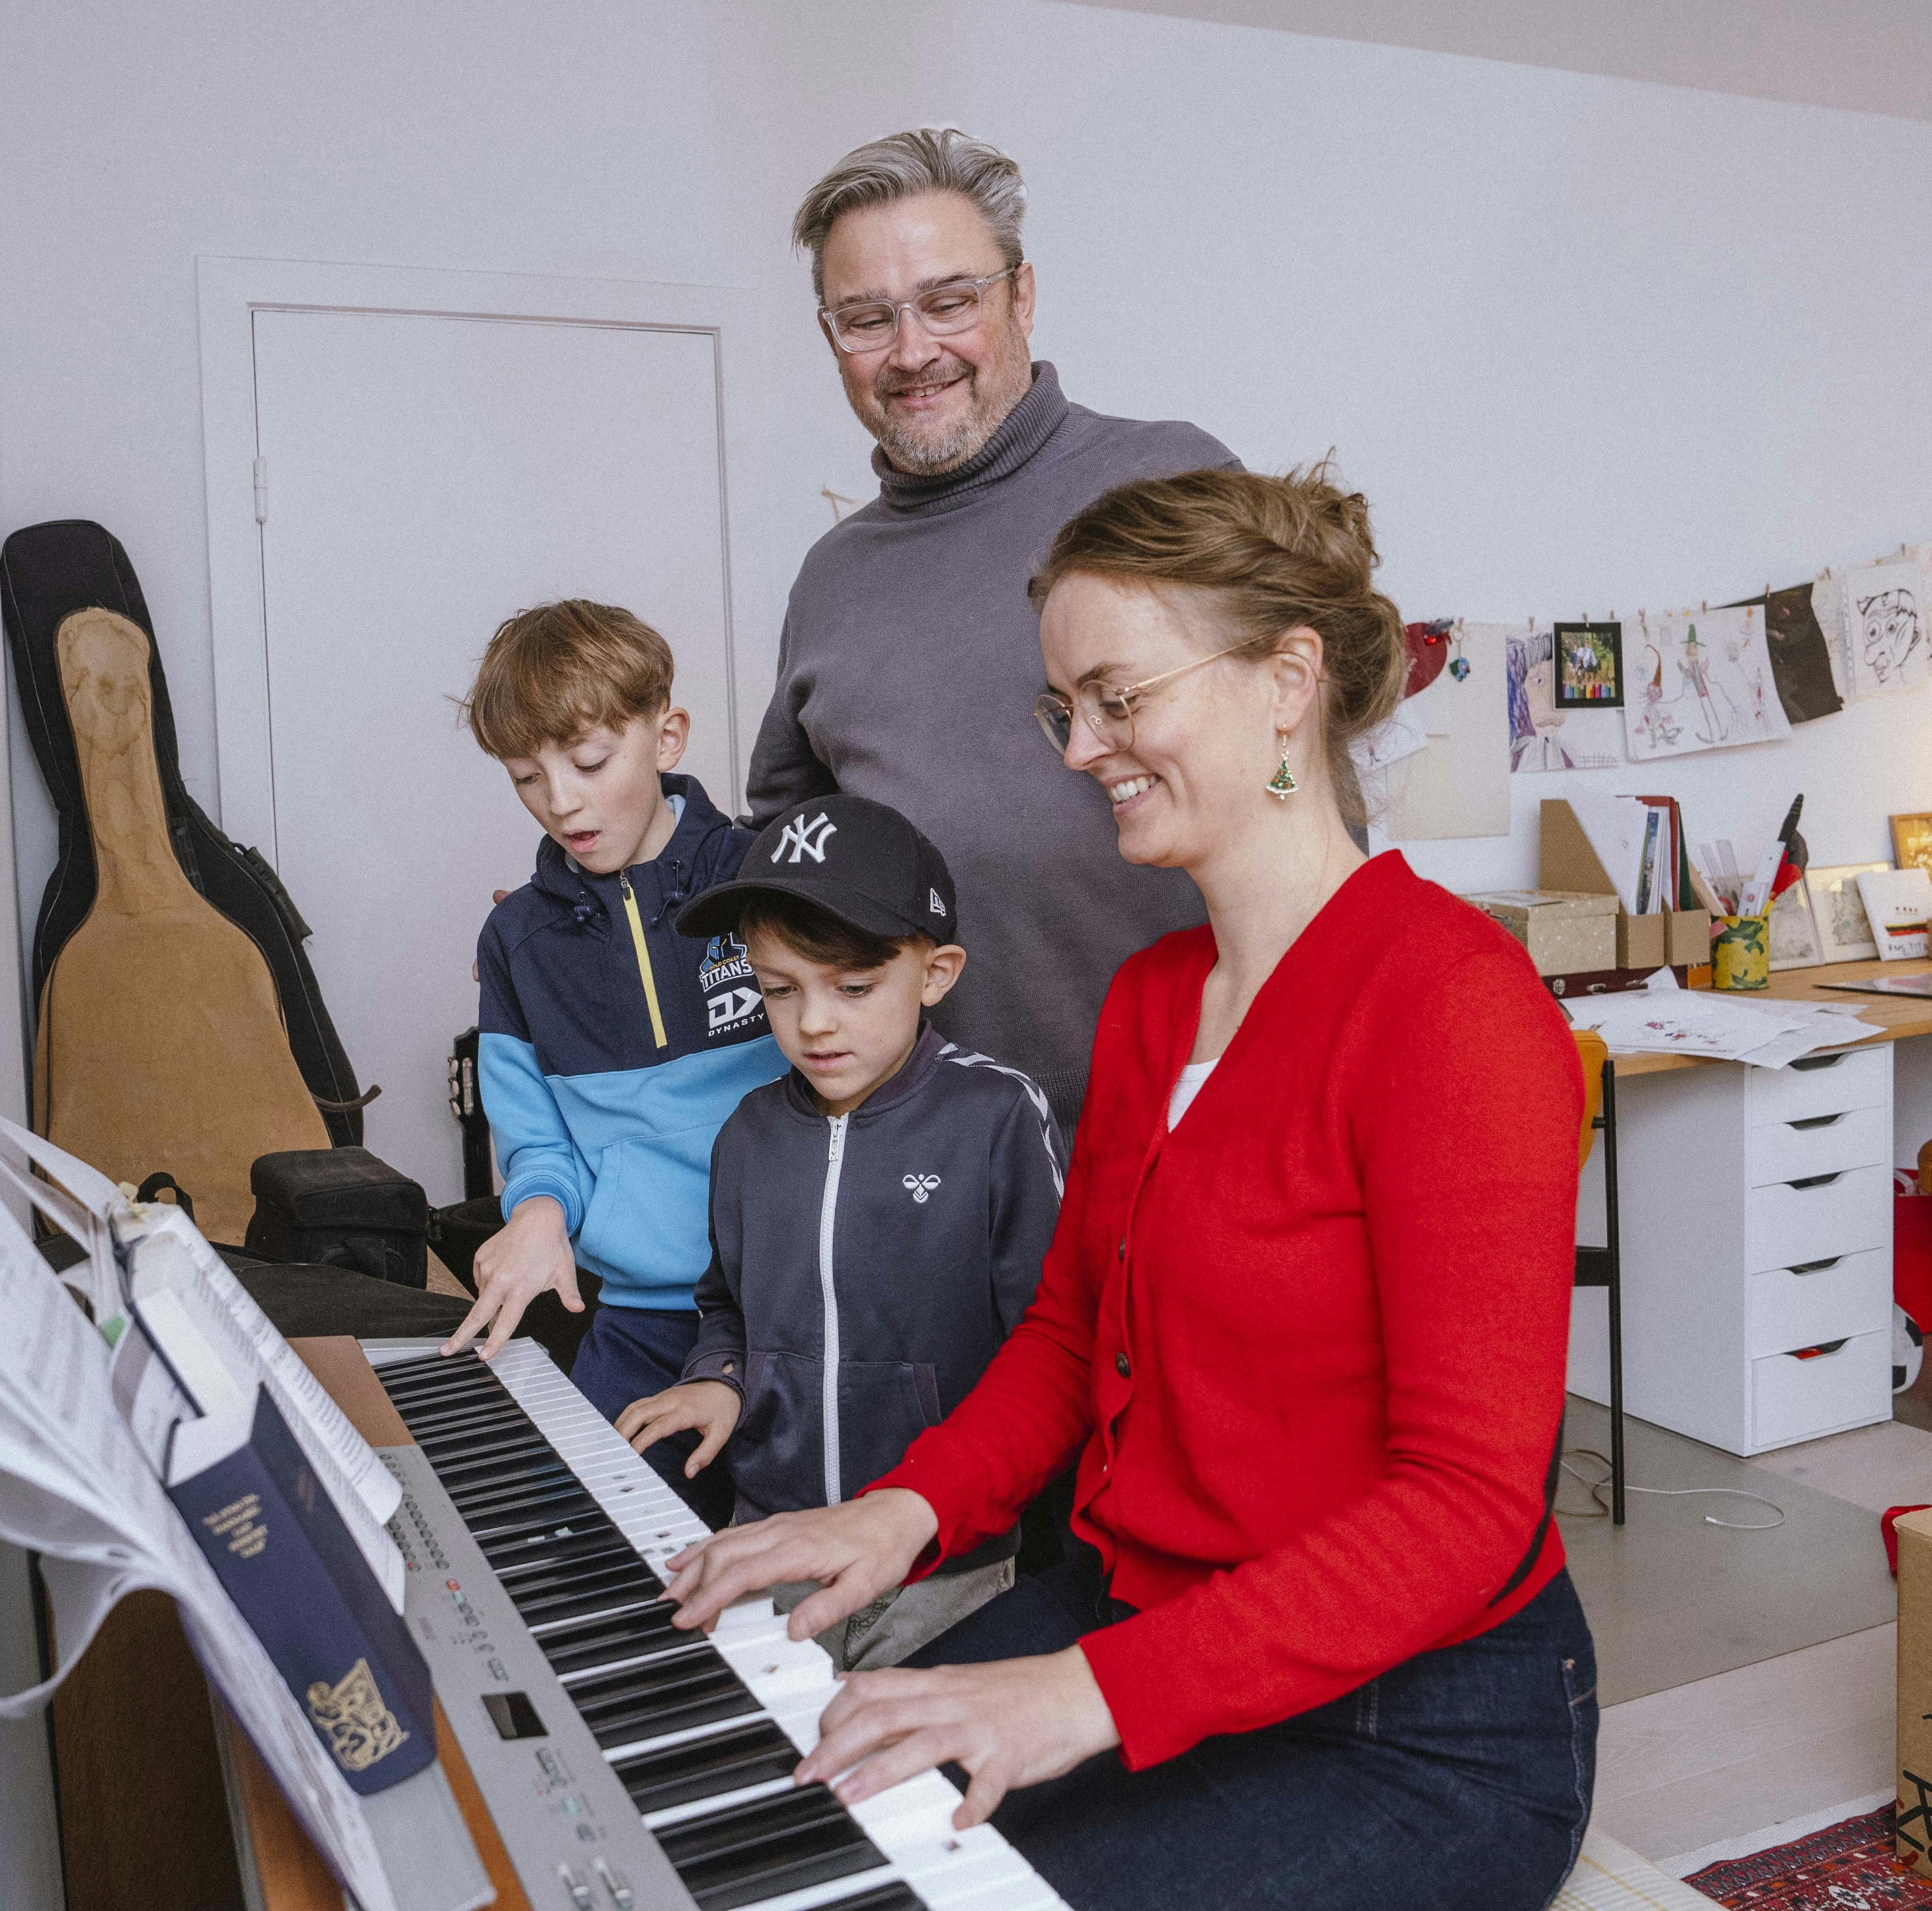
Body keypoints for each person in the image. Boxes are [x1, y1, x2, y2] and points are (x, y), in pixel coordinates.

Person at [658, 467, 1595, 1911]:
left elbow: (1467, 1507)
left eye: (1118, 698)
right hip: (1137, 1618)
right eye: (1064, 711)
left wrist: (1079, 1696)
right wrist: (898, 1517)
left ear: (1286, 683)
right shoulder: (1156, 997)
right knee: (782, 1831)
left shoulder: (1454, 1009)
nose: (1082, 747)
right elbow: (1067, 1330)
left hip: (1412, 1727)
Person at [748, 127, 1241, 1134]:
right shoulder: (830, 579)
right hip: (939, 1173)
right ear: (829, 336)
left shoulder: (1172, 486)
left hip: (1197, 1132)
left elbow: (1309, 784)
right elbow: (786, 858)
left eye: (948, 300)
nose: (912, 351)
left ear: (1020, 297)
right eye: (867, 319)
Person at [613, 795, 1065, 1670]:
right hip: (770, 1543)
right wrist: (721, 1381)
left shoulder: (998, 1115)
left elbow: (1052, 1344)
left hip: (943, 1570)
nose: (813, 1022)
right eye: (779, 990)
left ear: (935, 973)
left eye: (853, 988)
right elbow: (727, 1311)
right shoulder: (747, 1134)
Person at [448, 601, 788, 1520]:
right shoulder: (517, 941)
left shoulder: (770, 879)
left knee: (794, 1567)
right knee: (592, 1543)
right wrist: (539, 1215)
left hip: (796, 1304)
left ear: (667, 735)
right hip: (639, 1318)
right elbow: (536, 1141)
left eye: (591, 763)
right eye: (527, 778)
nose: (562, 801)